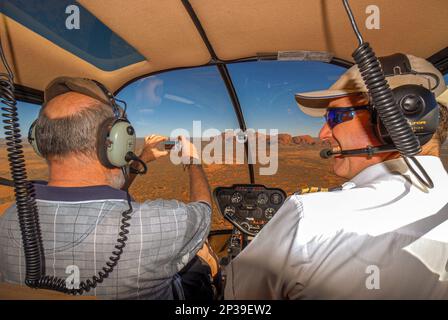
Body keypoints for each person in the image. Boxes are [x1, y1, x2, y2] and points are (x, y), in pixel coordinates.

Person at [225, 54, 448, 299]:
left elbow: (237, 299)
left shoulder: (310, 218)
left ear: (396, 117)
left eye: (335, 117)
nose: (322, 133)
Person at [0, 77, 217, 300]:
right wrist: (193, 161)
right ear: (118, 140)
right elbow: (203, 211)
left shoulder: (9, 220)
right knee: (200, 261)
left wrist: (141, 159)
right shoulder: (152, 225)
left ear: (39, 140)